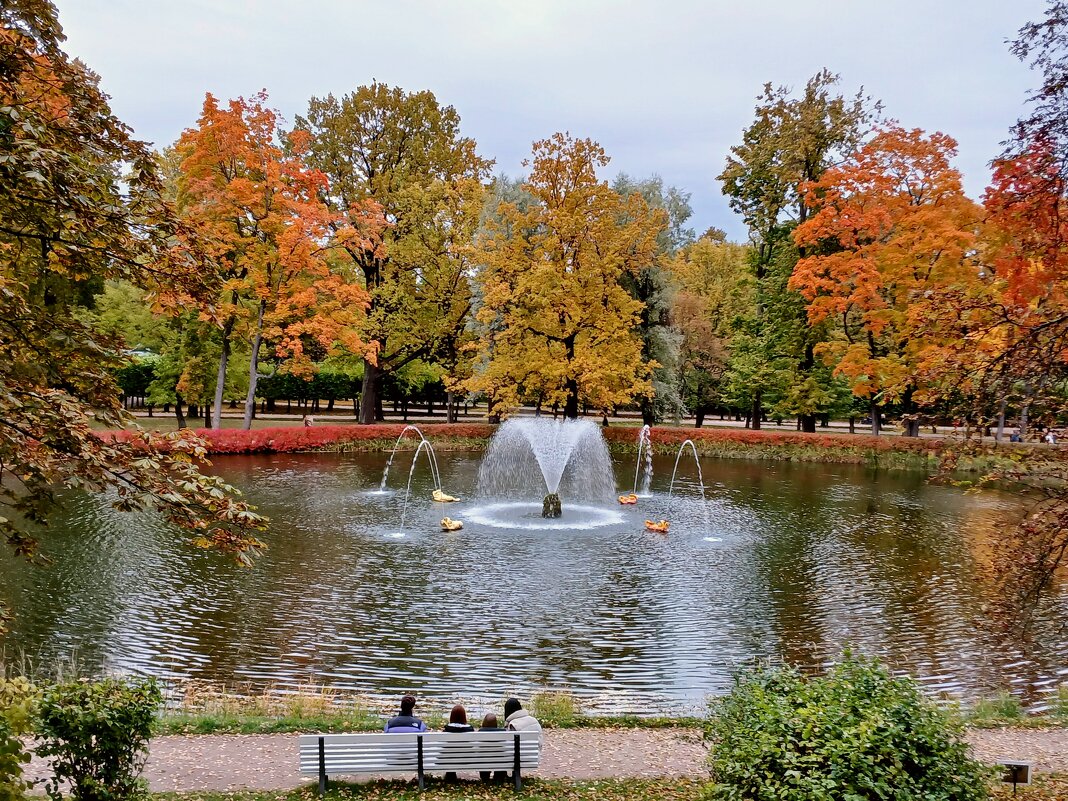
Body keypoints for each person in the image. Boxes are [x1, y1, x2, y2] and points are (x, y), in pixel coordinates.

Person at [442, 704, 474, 780]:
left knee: (449, 752)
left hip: (448, 759)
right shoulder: (470, 729)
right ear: (464, 717)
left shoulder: (447, 729)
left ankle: (450, 774)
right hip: (467, 759)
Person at [478, 712, 506, 783]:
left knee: (483, 756)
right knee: (501, 756)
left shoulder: (479, 733)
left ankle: (485, 777)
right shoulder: (503, 734)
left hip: (484, 761)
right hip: (499, 762)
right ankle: (499, 776)